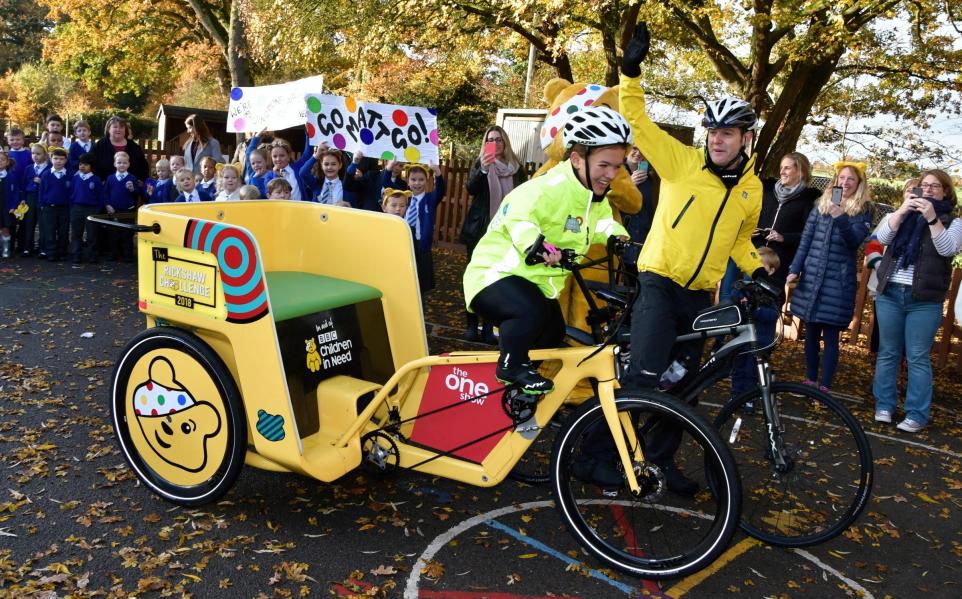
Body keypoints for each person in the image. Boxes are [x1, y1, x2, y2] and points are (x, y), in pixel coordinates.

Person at [618, 23, 770, 494]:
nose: (717, 140)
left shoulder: (752, 188)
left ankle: (658, 464)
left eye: (727, 133)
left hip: (700, 294)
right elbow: (638, 122)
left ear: (746, 138)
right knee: (643, 378)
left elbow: (741, 241)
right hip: (660, 282)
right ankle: (601, 458)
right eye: (712, 132)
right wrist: (630, 72)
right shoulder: (682, 161)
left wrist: (759, 271)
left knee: (682, 388)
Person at [463, 105, 631, 394]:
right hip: (493, 275)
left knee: (552, 332)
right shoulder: (547, 187)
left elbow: (602, 224)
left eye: (617, 166)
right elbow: (518, 217)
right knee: (528, 312)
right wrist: (537, 246)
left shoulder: (593, 197)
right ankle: (510, 367)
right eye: (604, 165)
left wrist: (621, 240)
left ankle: (515, 383)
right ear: (578, 159)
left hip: (535, 284)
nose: (611, 174)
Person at [871, 169, 962, 433]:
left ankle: (916, 414)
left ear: (946, 192)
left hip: (924, 300)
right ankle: (884, 406)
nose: (929, 190)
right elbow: (882, 238)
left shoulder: (953, 222)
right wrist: (901, 210)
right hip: (891, 292)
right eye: (925, 186)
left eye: (935, 186)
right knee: (888, 352)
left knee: (917, 356)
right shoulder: (904, 214)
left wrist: (932, 219)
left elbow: (947, 249)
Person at [728, 152, 819, 406]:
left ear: (801, 171)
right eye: (782, 167)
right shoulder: (768, 192)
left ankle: (758, 369)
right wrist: (755, 231)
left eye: (789, 168)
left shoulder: (806, 201)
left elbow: (807, 235)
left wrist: (783, 237)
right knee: (746, 310)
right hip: (755, 258)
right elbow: (750, 217)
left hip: (778, 265)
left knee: (766, 317)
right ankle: (739, 369)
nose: (783, 172)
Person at [786, 161, 873, 392]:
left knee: (831, 335)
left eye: (850, 180)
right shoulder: (821, 205)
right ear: (835, 181)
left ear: (859, 184)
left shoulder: (863, 210)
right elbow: (806, 240)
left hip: (838, 281)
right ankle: (810, 378)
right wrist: (795, 267)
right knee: (811, 331)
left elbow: (854, 241)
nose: (845, 183)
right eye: (841, 178)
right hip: (813, 277)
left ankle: (825, 385)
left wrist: (841, 216)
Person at [460, 125, 527, 343]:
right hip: (480, 230)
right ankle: (471, 326)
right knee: (474, 278)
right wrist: (484, 171)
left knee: (496, 280)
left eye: (499, 139)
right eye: (491, 139)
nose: (495, 143)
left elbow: (525, 197)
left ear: (505, 142)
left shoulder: (517, 169)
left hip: (505, 232)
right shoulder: (481, 164)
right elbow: (471, 189)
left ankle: (488, 328)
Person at [406, 163, 445, 293]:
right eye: (413, 179)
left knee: (422, 281)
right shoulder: (404, 199)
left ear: (427, 181)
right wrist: (389, 169)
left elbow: (440, 191)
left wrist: (437, 173)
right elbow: (386, 184)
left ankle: (420, 304)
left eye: (421, 179)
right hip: (405, 243)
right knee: (407, 276)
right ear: (408, 181)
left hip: (421, 245)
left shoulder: (430, 199)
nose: (417, 183)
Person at [104, 151, 141, 262]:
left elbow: (137, 194)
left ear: (128, 164)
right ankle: (114, 254)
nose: (122, 165)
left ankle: (127, 255)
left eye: (124, 163)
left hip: (127, 210)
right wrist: (107, 205)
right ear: (115, 164)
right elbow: (105, 193)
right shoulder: (110, 178)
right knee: (113, 233)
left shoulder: (132, 178)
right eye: (119, 162)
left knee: (127, 234)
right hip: (113, 210)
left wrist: (132, 189)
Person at [69, 153, 103, 265]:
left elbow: (100, 196)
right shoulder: (75, 178)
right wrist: (72, 207)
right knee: (76, 234)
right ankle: (76, 256)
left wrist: (97, 210)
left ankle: (93, 255)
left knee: (92, 234)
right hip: (77, 208)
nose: (82, 166)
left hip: (91, 209)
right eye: (80, 164)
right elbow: (71, 193)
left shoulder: (96, 179)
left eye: (85, 164)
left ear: (91, 166)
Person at [38, 147, 71, 262]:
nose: (58, 161)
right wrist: (42, 204)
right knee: (50, 231)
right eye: (56, 158)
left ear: (66, 160)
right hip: (49, 208)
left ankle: (62, 252)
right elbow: (41, 191)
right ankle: (51, 252)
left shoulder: (70, 175)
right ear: (51, 159)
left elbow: (72, 192)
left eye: (61, 159)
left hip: (64, 208)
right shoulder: (46, 174)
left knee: (64, 231)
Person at [93, 115, 149, 183]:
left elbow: (143, 166)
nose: (118, 129)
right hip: (105, 187)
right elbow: (93, 165)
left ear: (125, 130)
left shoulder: (134, 147)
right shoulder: (100, 145)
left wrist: (141, 182)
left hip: (130, 188)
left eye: (121, 127)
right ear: (108, 129)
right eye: (115, 127)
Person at [21, 143, 50, 257]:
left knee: (43, 224)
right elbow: (23, 185)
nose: (35, 156)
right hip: (30, 198)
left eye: (38, 154)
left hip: (42, 198)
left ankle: (43, 248)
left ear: (45, 155)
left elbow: (52, 185)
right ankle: (28, 247)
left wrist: (42, 182)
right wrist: (23, 199)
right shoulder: (28, 168)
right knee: (29, 223)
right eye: (33, 153)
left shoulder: (49, 169)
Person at [0, 150, 19, 258]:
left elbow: (16, 193)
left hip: (6, 208)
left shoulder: (11, 177)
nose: (0, 162)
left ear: (7, 162)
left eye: (2, 160)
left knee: (5, 228)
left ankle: (6, 248)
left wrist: (13, 206)